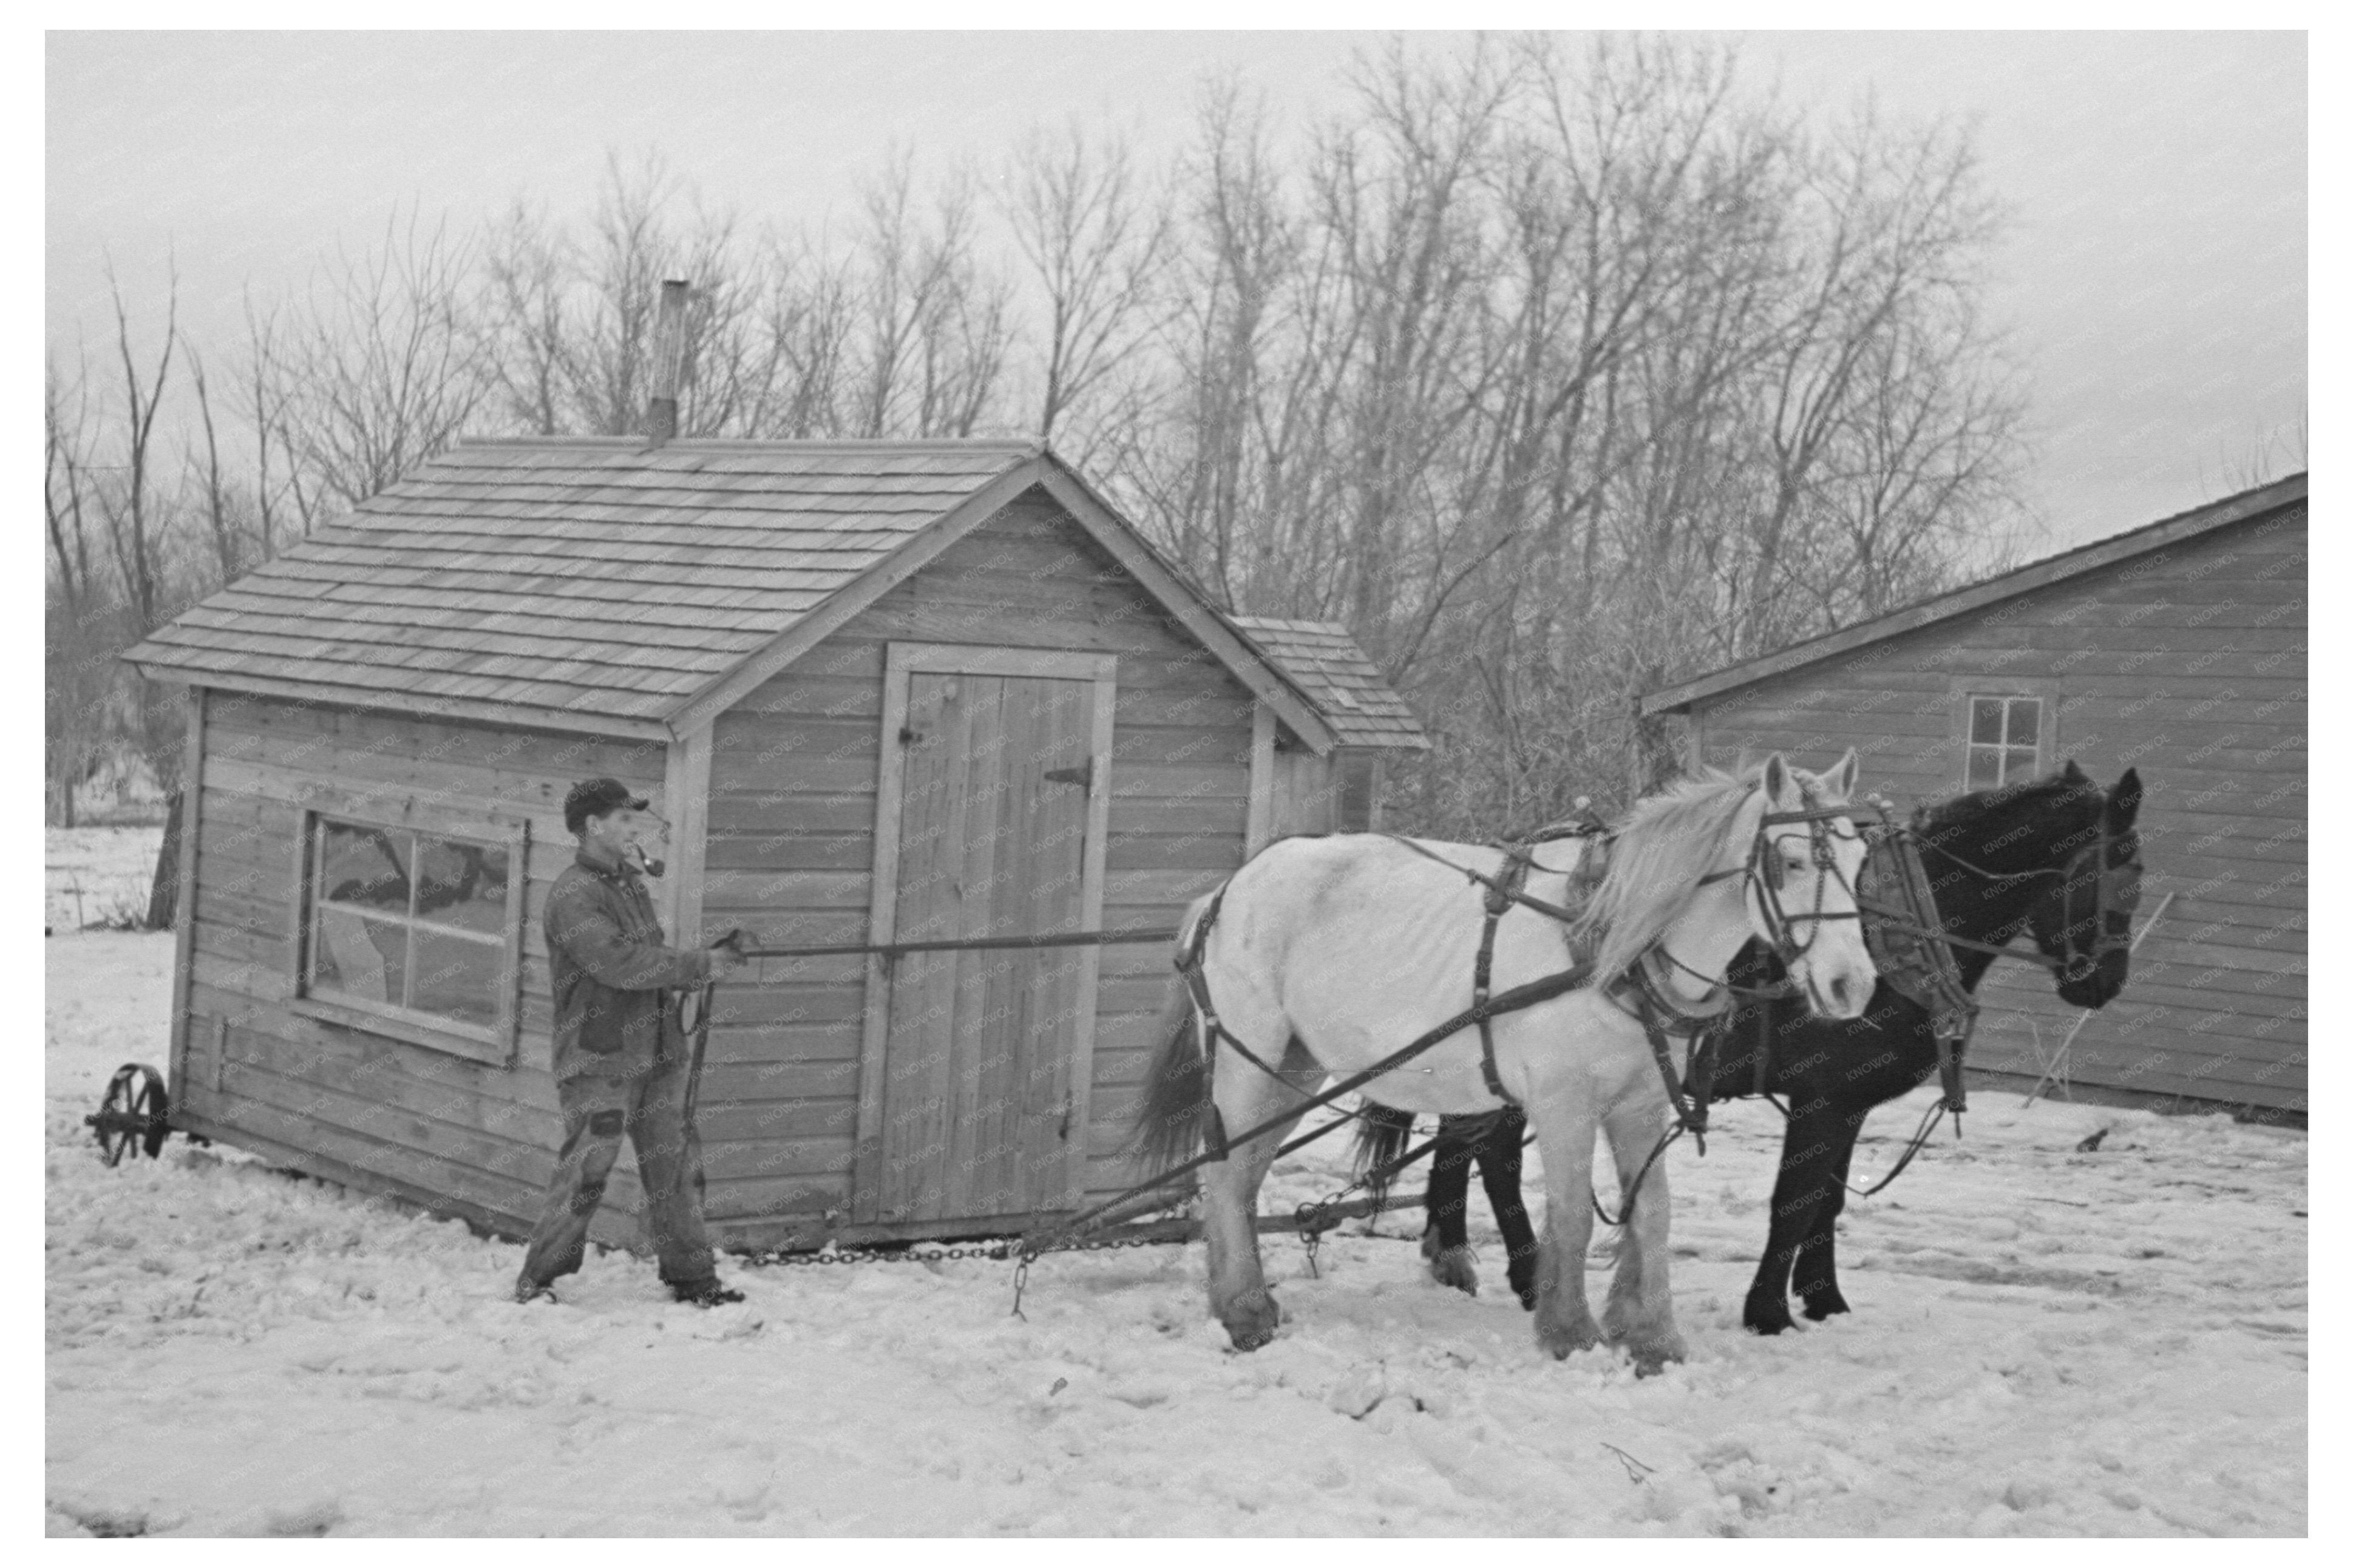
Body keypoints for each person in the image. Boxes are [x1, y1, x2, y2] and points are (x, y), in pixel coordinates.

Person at [514, 777, 747, 1307]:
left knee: (676, 1166)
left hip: (659, 1055)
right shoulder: (574, 894)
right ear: (593, 826)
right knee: (588, 1170)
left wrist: (700, 970)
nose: (632, 826)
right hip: (602, 1063)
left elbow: (648, 958)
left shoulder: (629, 885)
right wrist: (694, 963)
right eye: (623, 818)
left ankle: (693, 1277)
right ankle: (538, 1280)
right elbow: (616, 963)